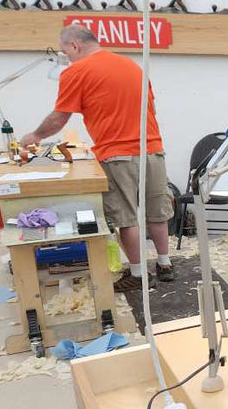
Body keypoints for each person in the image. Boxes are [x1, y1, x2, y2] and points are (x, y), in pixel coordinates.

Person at [21, 25, 174, 291]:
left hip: (117, 155)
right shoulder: (132, 66)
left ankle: (138, 275)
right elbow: (152, 107)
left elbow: (60, 116)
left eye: (65, 52)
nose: (66, 59)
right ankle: (165, 263)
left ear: (75, 46)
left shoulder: (76, 72)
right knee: (156, 213)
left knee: (126, 218)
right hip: (152, 150)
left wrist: (35, 135)